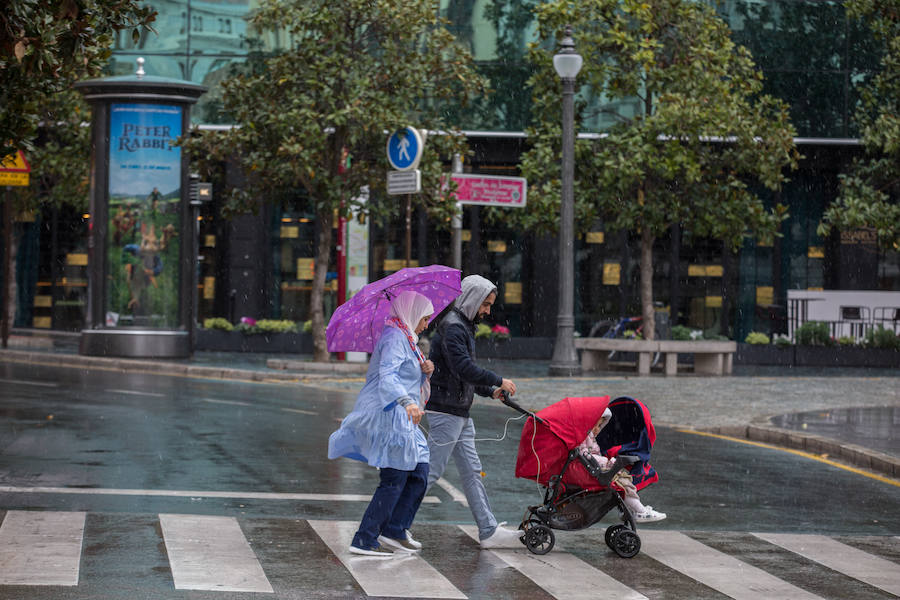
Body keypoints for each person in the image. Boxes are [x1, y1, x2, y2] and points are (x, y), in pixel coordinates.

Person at [327, 291, 436, 557]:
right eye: (424, 318)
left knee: (419, 473)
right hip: (391, 416)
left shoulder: (408, 339)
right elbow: (388, 376)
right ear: (412, 314)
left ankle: (395, 529)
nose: (426, 325)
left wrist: (424, 370)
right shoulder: (394, 339)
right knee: (394, 479)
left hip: (405, 418)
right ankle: (364, 538)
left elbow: (406, 375)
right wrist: (406, 401)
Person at [425, 274, 522, 548]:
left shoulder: (462, 325)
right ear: (472, 300)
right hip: (446, 412)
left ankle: (488, 530)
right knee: (431, 471)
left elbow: (461, 374)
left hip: (458, 411)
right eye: (485, 304)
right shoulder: (454, 327)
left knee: (472, 471)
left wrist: (489, 391)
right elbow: (463, 368)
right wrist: (497, 380)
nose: (488, 311)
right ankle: (392, 525)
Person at [577, 408, 666, 523]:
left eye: (600, 426)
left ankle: (629, 509)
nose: (597, 429)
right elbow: (586, 456)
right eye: (595, 425)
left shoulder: (589, 437)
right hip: (591, 471)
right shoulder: (583, 438)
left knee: (622, 480)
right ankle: (640, 511)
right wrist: (607, 462)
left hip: (592, 469)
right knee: (622, 483)